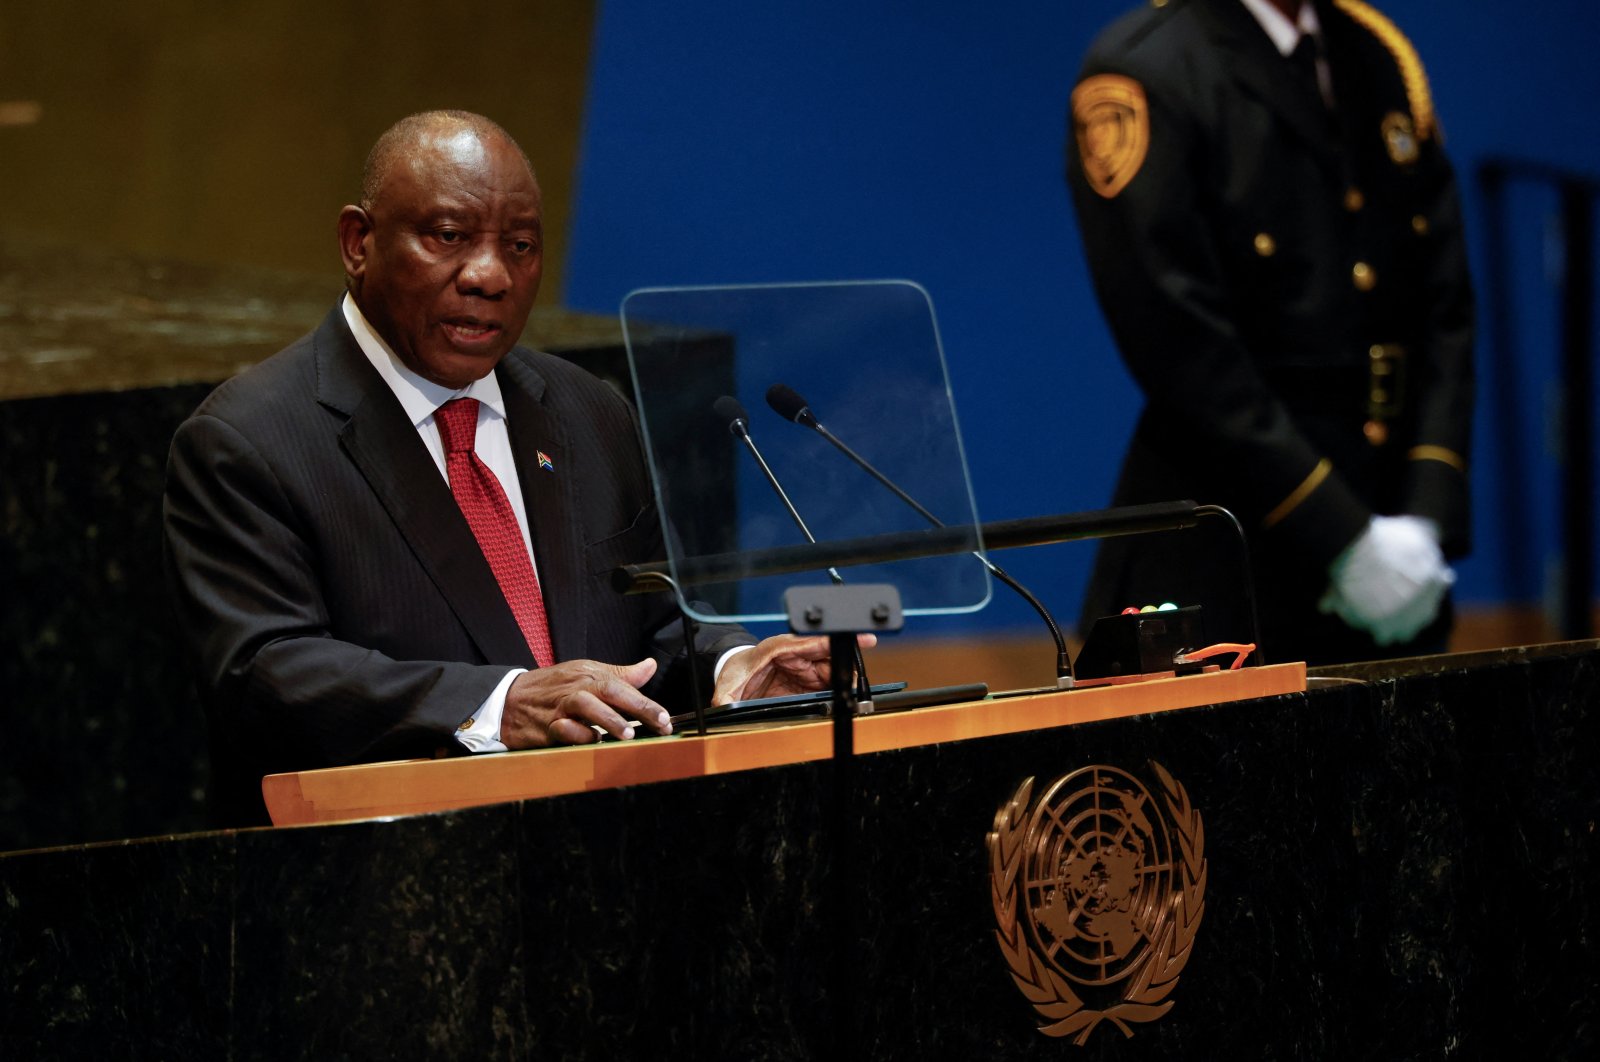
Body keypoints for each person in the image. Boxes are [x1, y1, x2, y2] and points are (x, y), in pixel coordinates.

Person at [164, 110, 860, 823]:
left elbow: (647, 629)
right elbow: (265, 675)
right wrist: (497, 705)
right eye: (449, 237)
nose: (490, 275)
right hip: (385, 876)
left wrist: (730, 665)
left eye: (520, 245)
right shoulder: (250, 439)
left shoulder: (587, 411)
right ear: (357, 243)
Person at [1066, 0, 1474, 665]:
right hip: (1224, 560)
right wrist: (1343, 537)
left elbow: (1445, 307)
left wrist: (1425, 514)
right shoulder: (1148, 67)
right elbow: (1177, 341)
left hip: (1399, 556)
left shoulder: (1377, 56)